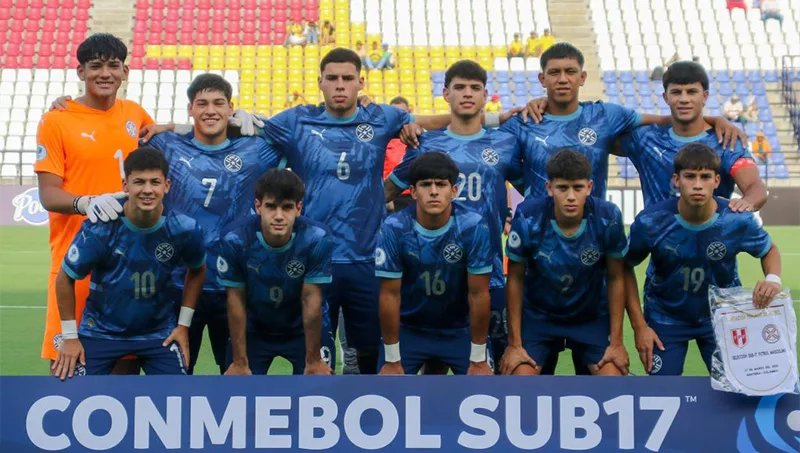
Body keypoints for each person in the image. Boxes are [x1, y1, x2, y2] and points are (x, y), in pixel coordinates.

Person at [249, 48, 453, 374]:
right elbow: (240, 129)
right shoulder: (296, 120)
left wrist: (391, 185)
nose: (340, 85)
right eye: (332, 78)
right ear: (320, 82)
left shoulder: (381, 117)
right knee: (314, 353)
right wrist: (175, 127)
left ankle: (366, 401)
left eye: (347, 78)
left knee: (370, 352)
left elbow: (430, 125)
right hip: (314, 258)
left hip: (367, 257)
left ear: (361, 81)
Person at [385, 60, 525, 372]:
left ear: (485, 95)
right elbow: (388, 190)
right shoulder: (425, 142)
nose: (467, 93)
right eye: (459, 87)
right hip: (432, 272)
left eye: (475, 88)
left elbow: (535, 191)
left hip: (489, 271)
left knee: (496, 365)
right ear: (446, 94)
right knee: (433, 366)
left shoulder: (505, 142)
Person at [142, 74, 285, 375]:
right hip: (177, 283)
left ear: (231, 109)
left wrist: (259, 123)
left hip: (233, 286)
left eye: (219, 103)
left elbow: (295, 141)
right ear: (190, 109)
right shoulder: (165, 145)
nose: (210, 110)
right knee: (174, 376)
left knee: (237, 375)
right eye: (202, 104)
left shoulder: (254, 150)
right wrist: (172, 127)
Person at [35, 33, 154, 371]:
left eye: (113, 65)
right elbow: (48, 194)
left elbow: (167, 135)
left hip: (128, 263)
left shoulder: (135, 114)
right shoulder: (56, 120)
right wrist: (86, 203)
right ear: (81, 71)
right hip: (74, 263)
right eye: (96, 66)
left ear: (125, 71)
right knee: (69, 372)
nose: (105, 73)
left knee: (125, 371)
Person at [624, 143, 782, 375]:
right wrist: (639, 327)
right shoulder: (651, 221)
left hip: (722, 314)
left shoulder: (736, 219)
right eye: (690, 176)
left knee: (734, 386)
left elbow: (769, 249)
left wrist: (773, 279)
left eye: (705, 177)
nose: (697, 184)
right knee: (662, 389)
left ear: (717, 181)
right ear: (676, 180)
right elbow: (623, 266)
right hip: (665, 317)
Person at [51, 147, 207, 379]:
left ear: (167, 186)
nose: (147, 190)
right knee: (70, 389)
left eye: (155, 182)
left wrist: (183, 326)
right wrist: (70, 337)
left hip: (159, 334)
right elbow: (65, 278)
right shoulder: (101, 228)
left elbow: (197, 269)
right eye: (139, 182)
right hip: (100, 332)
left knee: (178, 395)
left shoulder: (183, 228)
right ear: (125, 185)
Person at [501, 149, 629, 376]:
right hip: (539, 317)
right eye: (562, 188)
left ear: (589, 187)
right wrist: (514, 344)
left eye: (578, 188)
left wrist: (617, 343)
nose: (571, 196)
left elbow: (616, 277)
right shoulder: (528, 216)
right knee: (520, 378)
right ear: (549, 188)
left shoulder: (607, 217)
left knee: (612, 378)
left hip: (590, 317)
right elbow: (515, 278)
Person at [376, 152, 494, 375]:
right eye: (425, 184)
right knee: (388, 388)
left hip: (460, 330)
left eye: (441, 184)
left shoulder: (473, 226)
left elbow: (478, 294)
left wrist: (478, 358)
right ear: (412, 191)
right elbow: (390, 295)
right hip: (410, 330)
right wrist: (392, 359)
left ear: (454, 191)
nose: (433, 191)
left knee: (484, 388)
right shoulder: (394, 227)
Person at [219, 169, 335, 375]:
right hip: (255, 328)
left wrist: (314, 360)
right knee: (239, 389)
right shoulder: (235, 239)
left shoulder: (317, 238)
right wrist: (239, 361)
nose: (279, 216)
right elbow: (235, 299)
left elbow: (311, 299)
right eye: (271, 206)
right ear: (258, 207)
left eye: (287, 207)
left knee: (319, 386)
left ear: (298, 209)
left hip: (302, 329)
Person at [620, 61, 766, 211]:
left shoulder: (726, 140)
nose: (684, 99)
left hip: (711, 227)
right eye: (676, 92)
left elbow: (754, 185)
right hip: (657, 227)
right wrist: (715, 119)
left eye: (691, 92)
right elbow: (606, 133)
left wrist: (747, 203)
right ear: (665, 97)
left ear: (705, 96)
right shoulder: (645, 138)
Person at [383, 96, 414, 213]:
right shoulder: (383, 140)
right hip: (391, 196)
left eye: (402, 113)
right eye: (395, 114)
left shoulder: (417, 138)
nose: (398, 118)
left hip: (412, 195)